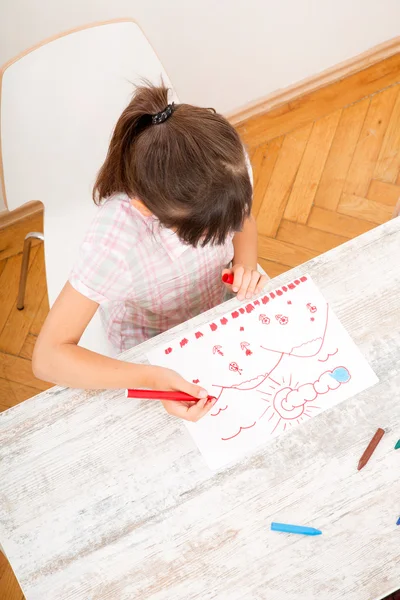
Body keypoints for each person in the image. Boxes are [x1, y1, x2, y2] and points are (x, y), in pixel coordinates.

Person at [33, 83, 268, 422]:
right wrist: (152, 378)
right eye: (206, 233)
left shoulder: (227, 166)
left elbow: (243, 220)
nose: (223, 235)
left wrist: (244, 264)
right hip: (149, 345)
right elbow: (48, 357)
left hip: (216, 311)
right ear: (146, 209)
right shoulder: (116, 241)